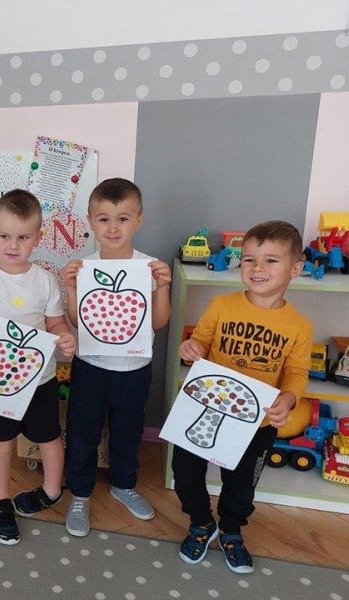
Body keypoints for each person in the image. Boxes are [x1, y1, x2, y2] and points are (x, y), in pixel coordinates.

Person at [173, 220, 312, 574]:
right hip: (207, 410)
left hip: (257, 422)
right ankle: (201, 522)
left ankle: (232, 530)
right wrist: (190, 349)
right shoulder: (222, 305)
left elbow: (297, 373)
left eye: (270, 260)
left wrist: (289, 399)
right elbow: (200, 342)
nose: (257, 268)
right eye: (249, 259)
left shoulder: (300, 326)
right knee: (184, 472)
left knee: (240, 486)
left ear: (295, 269)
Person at [0, 189, 77, 546]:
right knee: (0, 441)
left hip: (40, 380)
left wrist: (64, 336)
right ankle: (1, 502)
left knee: (49, 437)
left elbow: (55, 323)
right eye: (5, 236)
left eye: (23, 237)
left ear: (38, 238)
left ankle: (52, 490)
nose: (13, 245)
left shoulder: (45, 280)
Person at [61, 178, 172, 538]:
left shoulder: (149, 267)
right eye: (104, 219)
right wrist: (72, 288)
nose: (113, 228)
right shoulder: (84, 267)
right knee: (82, 431)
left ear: (139, 221)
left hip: (134, 368)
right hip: (91, 365)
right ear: (90, 222)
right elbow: (79, 321)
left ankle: (124, 485)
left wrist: (163, 286)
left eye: (122, 218)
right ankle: (80, 493)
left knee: (128, 431)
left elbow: (158, 322)